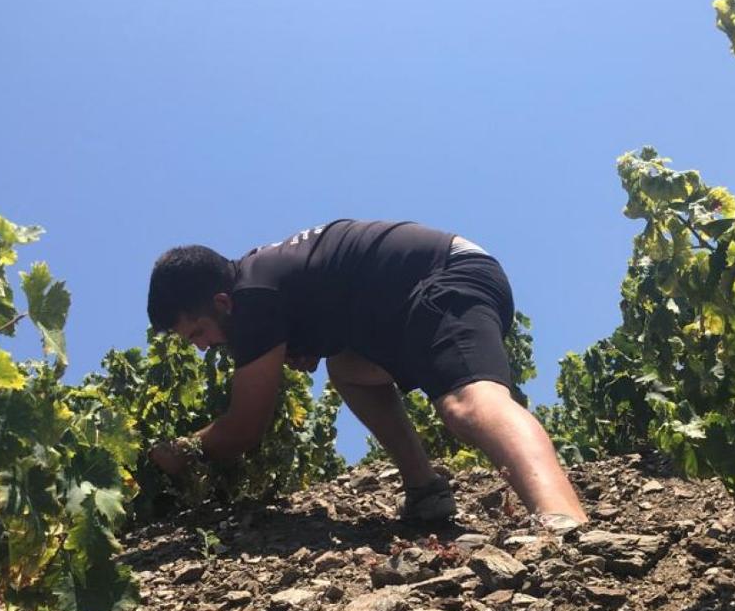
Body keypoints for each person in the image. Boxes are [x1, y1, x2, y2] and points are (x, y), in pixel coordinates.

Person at [145, 219, 587, 530]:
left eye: (197, 331)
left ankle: (564, 523)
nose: (201, 346)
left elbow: (244, 428)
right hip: (409, 298)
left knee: (468, 404)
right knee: (349, 369)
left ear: (222, 303)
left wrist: (180, 451)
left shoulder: (253, 296)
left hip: (447, 277)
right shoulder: (263, 277)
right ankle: (426, 491)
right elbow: (337, 294)